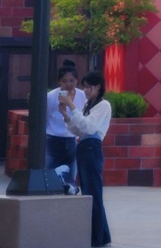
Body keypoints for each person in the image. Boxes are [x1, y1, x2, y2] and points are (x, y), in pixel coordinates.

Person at [59, 70, 112, 247]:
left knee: (93, 194)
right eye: (85, 87)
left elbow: (89, 128)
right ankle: (101, 237)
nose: (86, 90)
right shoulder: (89, 105)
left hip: (92, 149)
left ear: (98, 86)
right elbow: (78, 130)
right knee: (89, 193)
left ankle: (98, 238)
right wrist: (67, 116)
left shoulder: (103, 105)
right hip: (83, 147)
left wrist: (72, 107)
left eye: (89, 87)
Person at [47, 61, 86, 194]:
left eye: (72, 80)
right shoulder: (52, 96)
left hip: (71, 139)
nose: (68, 84)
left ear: (77, 81)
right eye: (64, 81)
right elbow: (45, 118)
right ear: (59, 82)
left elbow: (84, 117)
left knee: (71, 174)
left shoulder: (82, 96)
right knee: (49, 173)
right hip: (52, 139)